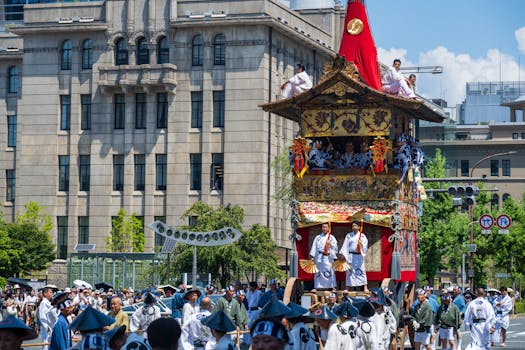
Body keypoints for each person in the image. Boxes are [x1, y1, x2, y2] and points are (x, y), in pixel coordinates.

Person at [339, 221, 369, 292]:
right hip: (351, 255)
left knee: (361, 270)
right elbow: (345, 245)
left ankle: (365, 287)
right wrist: (344, 255)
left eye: (355, 226)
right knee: (349, 271)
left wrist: (361, 244)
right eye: (353, 226)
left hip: (359, 256)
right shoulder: (349, 235)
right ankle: (347, 288)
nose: (354, 227)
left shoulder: (362, 236)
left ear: (359, 227)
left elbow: (365, 246)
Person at [309, 222, 338, 290]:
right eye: (323, 227)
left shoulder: (331, 237)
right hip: (319, 256)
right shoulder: (318, 237)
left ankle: (332, 286)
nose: (324, 229)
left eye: (326, 227)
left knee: (329, 270)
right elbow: (314, 247)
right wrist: (313, 256)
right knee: (318, 271)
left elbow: (335, 248)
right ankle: (317, 286)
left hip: (328, 257)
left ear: (328, 228)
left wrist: (330, 243)